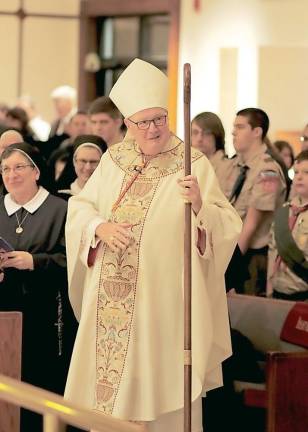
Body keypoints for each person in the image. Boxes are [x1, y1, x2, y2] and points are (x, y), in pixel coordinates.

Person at [64, 58, 242, 432]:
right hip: (111, 304)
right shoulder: (114, 159)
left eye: (160, 118)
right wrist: (101, 227)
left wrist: (199, 205)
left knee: (164, 404)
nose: (154, 128)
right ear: (127, 124)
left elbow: (227, 225)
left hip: (165, 306)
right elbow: (80, 208)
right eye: (143, 121)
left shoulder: (192, 163)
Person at [0, 142, 77, 431]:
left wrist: (34, 261)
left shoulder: (60, 209)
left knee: (39, 385)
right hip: (3, 313)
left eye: (19, 167)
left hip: (46, 314)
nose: (12, 174)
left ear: (36, 171)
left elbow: (74, 262)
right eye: (5, 169)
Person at [224, 108, 286, 296]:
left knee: (247, 317)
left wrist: (230, 266)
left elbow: (250, 225)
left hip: (249, 257)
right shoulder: (236, 166)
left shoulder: (268, 170)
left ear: (257, 132)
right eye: (234, 127)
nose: (234, 132)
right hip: (231, 249)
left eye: (240, 127)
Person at [267, 150, 308, 301]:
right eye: (296, 172)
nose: (299, 177)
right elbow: (272, 252)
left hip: (303, 293)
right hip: (277, 291)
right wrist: (269, 291)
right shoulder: (283, 212)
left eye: (306, 172)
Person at [57, 134, 106, 199]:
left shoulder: (111, 196)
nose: (88, 167)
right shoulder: (59, 197)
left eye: (93, 162)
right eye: (83, 161)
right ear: (74, 161)